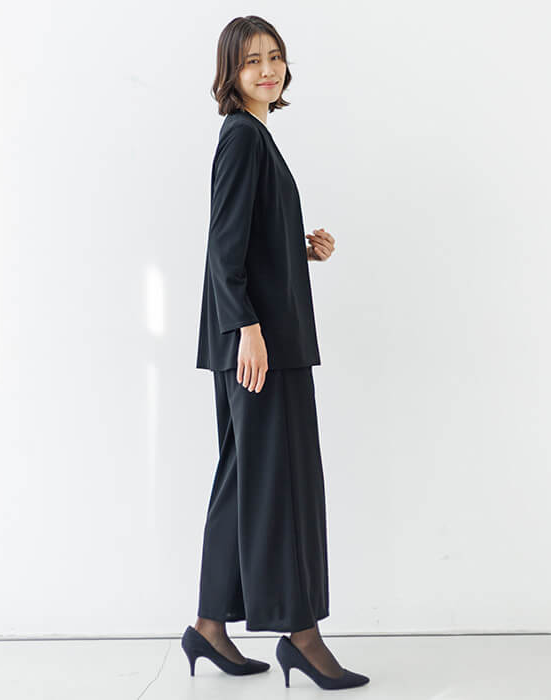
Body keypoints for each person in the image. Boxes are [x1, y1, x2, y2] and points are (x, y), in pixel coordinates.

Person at [182, 16, 369, 690]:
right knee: (279, 483)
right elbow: (222, 245)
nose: (266, 70)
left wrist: (300, 249)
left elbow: (251, 241)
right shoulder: (242, 137)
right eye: (251, 61)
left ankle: (208, 627)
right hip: (260, 345)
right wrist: (249, 328)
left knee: (246, 478)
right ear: (230, 73)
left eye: (274, 57)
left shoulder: (256, 136)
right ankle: (301, 636)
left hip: (261, 339)